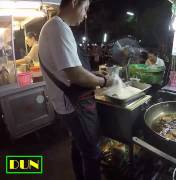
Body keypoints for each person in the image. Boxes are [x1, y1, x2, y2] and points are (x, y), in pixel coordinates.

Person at [38, 0, 113, 179]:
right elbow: (76, 75)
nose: (85, 15)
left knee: (78, 145)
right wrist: (103, 81)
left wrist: (94, 73)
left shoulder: (54, 26)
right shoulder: (58, 28)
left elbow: (72, 67)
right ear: (74, 3)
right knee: (91, 152)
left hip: (68, 103)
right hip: (74, 105)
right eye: (85, 8)